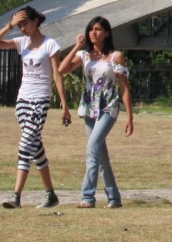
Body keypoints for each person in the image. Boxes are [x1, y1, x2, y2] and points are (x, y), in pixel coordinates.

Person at [0, 6, 71, 210]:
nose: (22, 28)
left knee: (26, 144)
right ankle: (51, 194)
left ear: (36, 22)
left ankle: (16, 196)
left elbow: (57, 75)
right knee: (35, 148)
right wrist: (10, 25)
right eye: (20, 24)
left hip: (40, 100)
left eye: (25, 23)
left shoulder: (50, 44)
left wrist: (64, 104)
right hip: (22, 101)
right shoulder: (21, 42)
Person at [57, 16, 133, 209]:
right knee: (100, 156)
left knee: (92, 148)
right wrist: (76, 47)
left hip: (109, 106)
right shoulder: (84, 55)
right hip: (90, 107)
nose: (93, 33)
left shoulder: (116, 56)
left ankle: (87, 197)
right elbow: (62, 69)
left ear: (106, 32)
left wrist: (130, 116)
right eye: (91, 29)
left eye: (98, 29)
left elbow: (123, 87)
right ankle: (114, 198)